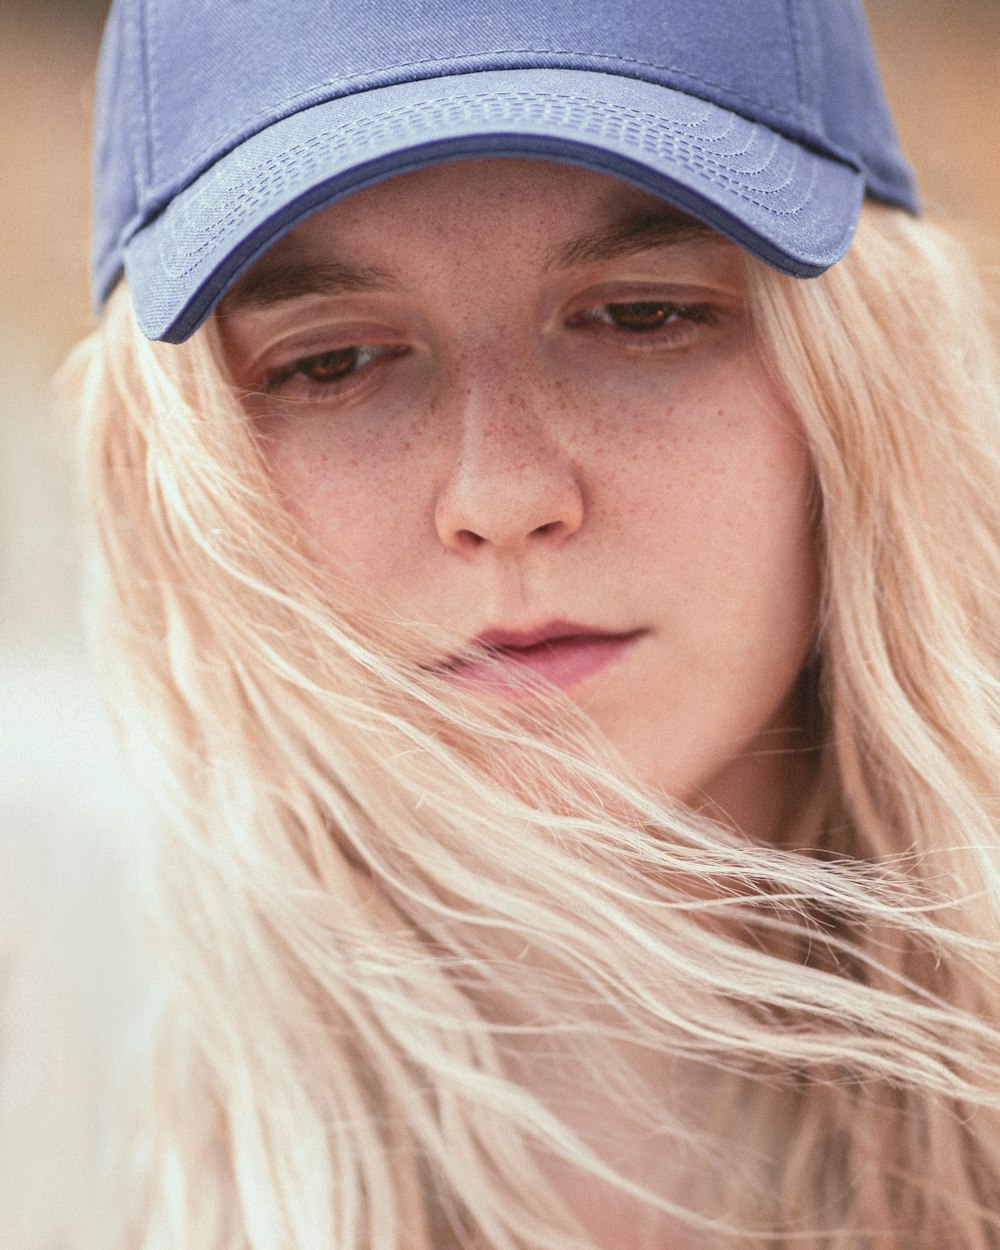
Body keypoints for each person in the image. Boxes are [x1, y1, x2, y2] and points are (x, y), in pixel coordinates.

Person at [67, 0, 1000, 1246]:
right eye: (332, 361)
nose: (503, 497)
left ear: (864, 374)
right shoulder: (52, 1087)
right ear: (180, 468)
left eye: (642, 314)